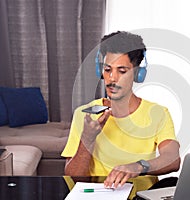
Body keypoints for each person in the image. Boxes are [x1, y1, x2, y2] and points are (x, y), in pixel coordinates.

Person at [61, 31, 180, 198]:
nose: (112, 78)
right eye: (107, 69)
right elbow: (74, 176)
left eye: (122, 71)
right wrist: (87, 139)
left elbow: (173, 159)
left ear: (138, 73)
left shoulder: (158, 113)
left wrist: (139, 166)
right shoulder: (84, 114)